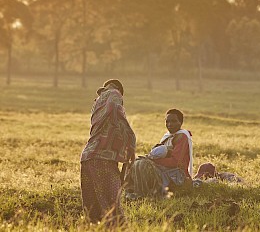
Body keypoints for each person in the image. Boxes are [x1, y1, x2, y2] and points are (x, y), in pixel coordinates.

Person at [80, 79, 136, 225]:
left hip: (87, 156)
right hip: (102, 157)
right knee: (112, 204)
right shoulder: (114, 94)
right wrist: (131, 141)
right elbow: (116, 112)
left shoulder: (98, 101)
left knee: (93, 208)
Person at [125, 109, 193, 198]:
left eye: (173, 121)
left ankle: (145, 194)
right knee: (136, 162)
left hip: (177, 174)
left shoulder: (182, 137)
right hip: (163, 170)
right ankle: (135, 191)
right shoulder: (167, 137)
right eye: (167, 121)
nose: (170, 124)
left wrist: (154, 162)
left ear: (180, 122)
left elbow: (175, 162)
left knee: (143, 164)